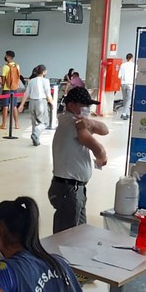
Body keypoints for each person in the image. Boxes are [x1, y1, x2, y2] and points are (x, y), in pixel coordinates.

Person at [48, 87, 109, 233]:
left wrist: (90, 123)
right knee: (67, 237)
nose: (87, 108)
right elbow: (97, 148)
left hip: (72, 188)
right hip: (69, 189)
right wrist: (102, 158)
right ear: (71, 105)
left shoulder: (69, 119)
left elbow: (105, 129)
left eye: (89, 105)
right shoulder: (74, 123)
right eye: (83, 104)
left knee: (79, 233)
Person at [15, 64, 55, 146]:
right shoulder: (46, 81)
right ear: (44, 72)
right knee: (44, 123)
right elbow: (48, 94)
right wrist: (52, 103)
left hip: (31, 103)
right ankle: (36, 133)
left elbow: (26, 93)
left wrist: (22, 105)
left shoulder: (31, 81)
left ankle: (35, 140)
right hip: (41, 102)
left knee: (34, 122)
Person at [0, 51, 22, 131]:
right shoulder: (17, 66)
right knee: (14, 106)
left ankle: (4, 124)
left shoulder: (5, 67)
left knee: (5, 106)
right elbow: (18, 77)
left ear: (8, 57)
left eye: (5, 55)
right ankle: (16, 124)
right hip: (14, 89)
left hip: (6, 89)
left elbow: (3, 81)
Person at [118, 53, 136, 121]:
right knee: (129, 99)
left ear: (126, 58)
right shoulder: (134, 65)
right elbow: (135, 75)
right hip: (130, 84)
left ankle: (127, 113)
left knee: (125, 99)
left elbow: (119, 75)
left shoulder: (123, 65)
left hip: (123, 83)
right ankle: (124, 114)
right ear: (132, 58)